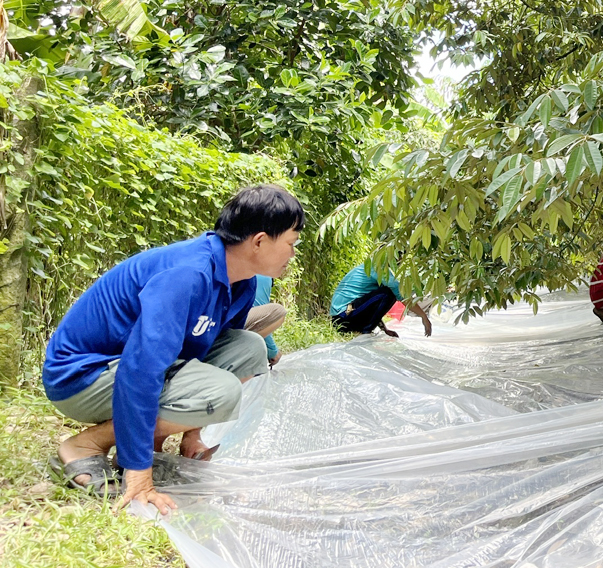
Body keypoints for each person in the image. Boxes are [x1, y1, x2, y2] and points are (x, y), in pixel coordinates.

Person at [42, 184, 305, 514]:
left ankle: (154, 445)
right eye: (291, 243)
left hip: (129, 367)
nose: (293, 254)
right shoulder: (186, 275)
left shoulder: (242, 281)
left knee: (249, 347)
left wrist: (191, 435)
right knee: (222, 393)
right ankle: (87, 444)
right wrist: (139, 474)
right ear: (260, 241)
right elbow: (140, 369)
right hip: (81, 376)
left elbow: (210, 353)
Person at [329, 264, 432, 337]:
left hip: (343, 316)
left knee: (386, 293)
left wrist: (385, 329)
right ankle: (366, 331)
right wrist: (424, 316)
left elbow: (371, 306)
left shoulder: (369, 266)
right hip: (344, 315)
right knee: (388, 293)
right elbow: (401, 295)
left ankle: (366, 329)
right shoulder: (377, 267)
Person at [246, 274, 286, 367]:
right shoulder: (262, 273)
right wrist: (273, 352)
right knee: (279, 313)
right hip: (230, 331)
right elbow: (262, 320)